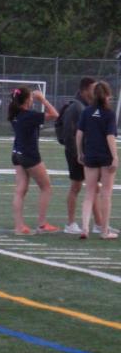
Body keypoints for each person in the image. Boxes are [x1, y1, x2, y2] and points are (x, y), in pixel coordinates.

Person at [7, 86, 59, 235]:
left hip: (16, 153)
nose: (32, 100)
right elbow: (55, 114)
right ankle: (42, 224)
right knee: (46, 187)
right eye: (30, 98)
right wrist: (42, 99)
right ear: (25, 100)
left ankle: (19, 226)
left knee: (20, 190)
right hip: (29, 155)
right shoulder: (29, 115)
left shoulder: (15, 114)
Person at [58, 78, 105, 235]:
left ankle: (99, 224)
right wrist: (78, 155)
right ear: (84, 90)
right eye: (93, 89)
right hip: (77, 154)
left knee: (94, 187)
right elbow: (68, 134)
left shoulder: (88, 106)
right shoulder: (76, 107)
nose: (96, 92)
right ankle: (71, 224)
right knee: (76, 187)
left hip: (87, 154)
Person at [76, 81, 118, 240]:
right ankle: (104, 231)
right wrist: (115, 157)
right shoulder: (109, 114)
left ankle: (85, 228)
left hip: (91, 155)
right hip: (105, 157)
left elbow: (79, 133)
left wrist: (80, 152)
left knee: (89, 194)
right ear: (107, 95)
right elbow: (110, 136)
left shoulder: (86, 111)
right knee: (106, 195)